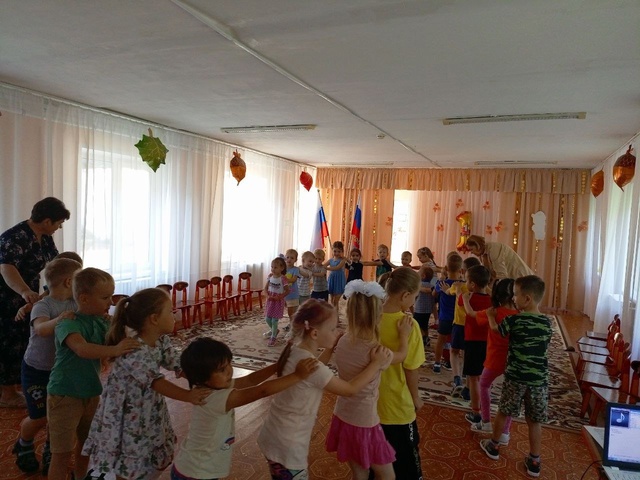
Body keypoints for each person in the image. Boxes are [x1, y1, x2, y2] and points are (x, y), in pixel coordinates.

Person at [82, 288, 211, 480]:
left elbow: (177, 364)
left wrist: (203, 379)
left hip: (147, 409)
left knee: (148, 453)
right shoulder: (134, 350)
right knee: (128, 459)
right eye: (170, 311)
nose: (174, 314)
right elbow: (155, 382)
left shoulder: (161, 340)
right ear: (154, 319)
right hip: (128, 415)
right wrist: (188, 396)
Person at [257, 299, 392, 479]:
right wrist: (376, 363)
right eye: (333, 329)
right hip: (288, 444)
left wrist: (330, 349)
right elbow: (350, 389)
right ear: (314, 333)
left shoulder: (296, 350)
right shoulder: (313, 368)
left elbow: (315, 368)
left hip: (274, 434)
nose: (337, 332)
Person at [172, 338, 318, 480]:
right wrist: (297, 376)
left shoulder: (210, 386)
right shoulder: (215, 399)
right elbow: (262, 391)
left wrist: (277, 365)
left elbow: (250, 380)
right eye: (222, 369)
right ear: (203, 378)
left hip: (193, 467)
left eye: (229, 364)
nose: (229, 371)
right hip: (195, 473)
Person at [47, 268, 141, 480]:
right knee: (61, 454)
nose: (110, 302)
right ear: (84, 298)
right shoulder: (68, 322)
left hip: (91, 392)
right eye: (105, 297)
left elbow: (121, 338)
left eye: (112, 296)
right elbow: (82, 349)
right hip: (64, 394)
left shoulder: (102, 321)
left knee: (86, 446)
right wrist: (115, 350)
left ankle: (81, 477)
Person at [326, 280, 413, 480]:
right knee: (388, 476)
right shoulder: (377, 352)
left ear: (349, 313)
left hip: (342, 415)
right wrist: (404, 335)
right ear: (378, 316)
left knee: (359, 472)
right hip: (365, 422)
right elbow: (402, 355)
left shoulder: (342, 341)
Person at [14, 257, 82, 474]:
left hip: (61, 371)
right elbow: (41, 329)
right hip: (36, 370)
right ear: (69, 282)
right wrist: (61, 319)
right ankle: (24, 442)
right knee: (40, 416)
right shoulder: (43, 306)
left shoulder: (76, 303)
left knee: (58, 415)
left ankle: (51, 448)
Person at [479, 275, 552, 478]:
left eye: (516, 295)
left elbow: (496, 330)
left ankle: (493, 446)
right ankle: (535, 460)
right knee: (534, 420)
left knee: (504, 410)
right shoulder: (547, 324)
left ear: (527, 299)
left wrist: (491, 316)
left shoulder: (514, 320)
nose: (513, 298)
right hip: (539, 381)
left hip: (515, 377)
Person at [0, 197, 70, 408]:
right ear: (47, 221)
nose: (59, 228)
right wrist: (24, 291)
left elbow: (56, 265)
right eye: (58, 223)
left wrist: (53, 288)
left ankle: (21, 384)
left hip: (28, 293)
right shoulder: (15, 236)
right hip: (6, 295)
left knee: (23, 339)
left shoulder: (45, 238)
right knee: (8, 343)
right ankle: (6, 394)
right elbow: (6, 268)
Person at [378, 267, 426, 480]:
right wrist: (415, 397)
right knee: (407, 463)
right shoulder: (409, 326)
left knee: (376, 460)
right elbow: (411, 369)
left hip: (370, 405)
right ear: (405, 295)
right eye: (415, 296)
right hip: (397, 407)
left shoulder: (370, 318)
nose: (414, 301)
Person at [462, 278, 517, 444]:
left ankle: (485, 421)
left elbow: (471, 314)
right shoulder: (519, 315)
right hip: (513, 360)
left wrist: (465, 300)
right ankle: (505, 431)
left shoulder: (493, 312)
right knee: (511, 394)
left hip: (494, 358)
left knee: (484, 385)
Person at [456, 265, 492, 425]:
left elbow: (460, 301)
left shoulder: (468, 297)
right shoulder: (492, 300)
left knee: (473, 379)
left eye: (467, 280)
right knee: (483, 378)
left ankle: (476, 412)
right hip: (488, 342)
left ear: (472, 284)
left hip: (472, 342)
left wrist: (461, 292)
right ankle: (484, 408)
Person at [449, 256, 481, 397]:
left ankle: (457, 378)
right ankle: (468, 386)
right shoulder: (483, 291)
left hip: (459, 324)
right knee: (468, 355)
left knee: (454, 351)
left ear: (463, 271)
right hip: (474, 328)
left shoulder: (459, 287)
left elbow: (450, 293)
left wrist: (454, 288)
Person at [433, 253, 463, 374]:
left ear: (446, 268)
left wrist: (441, 278)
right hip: (458, 318)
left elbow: (434, 294)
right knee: (456, 343)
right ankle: (457, 365)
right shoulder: (462, 285)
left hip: (444, 317)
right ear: (461, 270)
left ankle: (437, 363)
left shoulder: (442, 284)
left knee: (441, 340)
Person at [465, 235, 534, 282]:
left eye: (471, 249)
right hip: (514, 281)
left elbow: (501, 275)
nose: (472, 252)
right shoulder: (482, 255)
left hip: (523, 279)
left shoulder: (493, 249)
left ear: (477, 245)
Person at [263, 257, 290, 347]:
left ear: (282, 268)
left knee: (274, 320)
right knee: (267, 318)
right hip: (270, 300)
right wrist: (267, 296)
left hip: (278, 302)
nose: (273, 269)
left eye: (275, 267)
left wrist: (280, 297)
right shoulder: (270, 276)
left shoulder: (283, 278)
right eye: (272, 267)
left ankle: (273, 337)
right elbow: (265, 288)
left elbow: (287, 290)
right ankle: (274, 330)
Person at [413, 265, 435, 348]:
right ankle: (426, 337)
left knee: (417, 325)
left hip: (419, 309)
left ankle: (422, 338)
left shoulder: (420, 285)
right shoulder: (432, 285)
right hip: (428, 309)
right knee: (425, 325)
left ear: (423, 276)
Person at [325, 241, 347, 311]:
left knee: (335, 301)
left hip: (339, 280)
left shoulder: (342, 260)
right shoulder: (331, 260)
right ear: (332, 251)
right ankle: (333, 314)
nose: (337, 253)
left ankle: (336, 315)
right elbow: (323, 265)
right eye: (335, 251)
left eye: (339, 251)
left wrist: (327, 268)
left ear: (342, 251)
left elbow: (337, 267)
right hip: (332, 279)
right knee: (332, 300)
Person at [284, 249, 301, 327]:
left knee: (291, 311)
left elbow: (294, 279)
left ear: (295, 260)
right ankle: (292, 323)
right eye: (287, 257)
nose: (289, 259)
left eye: (292, 258)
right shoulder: (283, 269)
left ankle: (293, 325)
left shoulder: (296, 269)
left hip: (293, 294)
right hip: (284, 294)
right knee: (288, 311)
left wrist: (284, 279)